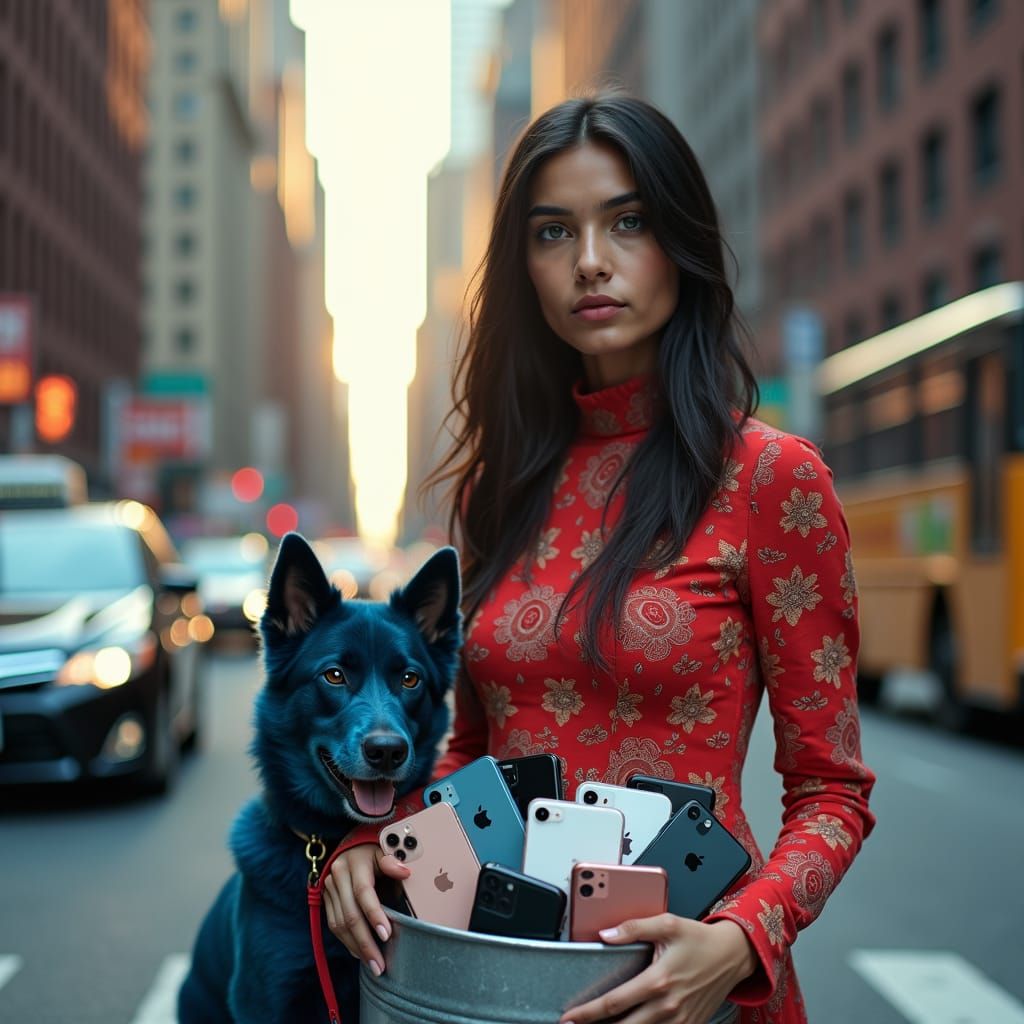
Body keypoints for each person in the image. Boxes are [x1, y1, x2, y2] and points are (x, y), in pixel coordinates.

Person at [323, 93, 875, 1024]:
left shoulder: (770, 480)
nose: (590, 261)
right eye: (552, 232)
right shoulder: (497, 490)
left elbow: (831, 791)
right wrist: (369, 844)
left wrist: (741, 937)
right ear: (523, 269)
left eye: (628, 221)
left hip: (689, 988)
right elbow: (469, 749)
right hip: (493, 976)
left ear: (680, 242)